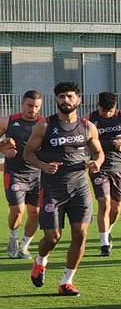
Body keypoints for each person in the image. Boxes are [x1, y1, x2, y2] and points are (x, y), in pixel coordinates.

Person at [24, 82, 104, 296]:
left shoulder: (87, 126)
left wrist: (96, 162)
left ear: (79, 100)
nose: (65, 100)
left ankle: (66, 282)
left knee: (81, 233)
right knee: (52, 237)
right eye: (61, 96)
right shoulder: (44, 126)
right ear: (56, 100)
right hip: (53, 189)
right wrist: (43, 166)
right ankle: (40, 261)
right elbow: (28, 153)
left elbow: (99, 152)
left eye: (69, 96)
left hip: (80, 188)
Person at [88, 92, 121, 256]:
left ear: (115, 107)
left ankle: (107, 230)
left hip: (119, 167)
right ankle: (104, 244)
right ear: (98, 106)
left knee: (116, 208)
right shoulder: (90, 119)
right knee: (104, 203)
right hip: (99, 166)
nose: (107, 114)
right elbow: (82, 139)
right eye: (104, 111)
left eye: (110, 111)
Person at [0, 90, 44, 259]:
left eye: (37, 107)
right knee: (18, 210)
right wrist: (3, 148)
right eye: (29, 106)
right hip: (15, 173)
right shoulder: (8, 121)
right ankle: (13, 238)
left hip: (38, 175)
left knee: (35, 213)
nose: (33, 110)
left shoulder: (44, 124)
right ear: (22, 104)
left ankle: (24, 246)